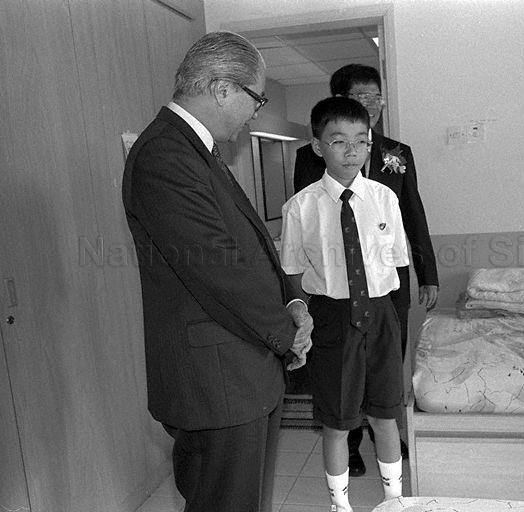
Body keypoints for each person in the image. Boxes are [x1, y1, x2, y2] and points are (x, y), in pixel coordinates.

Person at [122, 31, 313, 512]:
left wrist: (290, 303)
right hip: (218, 380)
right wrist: (285, 333)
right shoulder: (165, 154)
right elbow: (217, 270)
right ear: (223, 88)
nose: (256, 112)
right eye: (257, 98)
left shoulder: (196, 150)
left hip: (239, 370)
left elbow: (245, 252)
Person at [293, 63, 439, 476]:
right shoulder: (310, 155)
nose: (371, 105)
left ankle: (383, 427)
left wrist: (428, 273)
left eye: (376, 97)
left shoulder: (398, 153)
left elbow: (414, 214)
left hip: (387, 277)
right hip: (338, 282)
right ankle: (350, 440)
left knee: (386, 358)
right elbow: (308, 216)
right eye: (361, 97)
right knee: (343, 367)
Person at [280, 97, 409, 512]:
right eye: (339, 141)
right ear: (318, 146)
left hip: (380, 313)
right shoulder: (300, 208)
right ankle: (341, 505)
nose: (352, 151)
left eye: (361, 141)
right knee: (336, 422)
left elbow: (397, 265)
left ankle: (394, 500)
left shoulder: (385, 198)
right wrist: (303, 317)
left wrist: (392, 319)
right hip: (333, 318)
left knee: (386, 414)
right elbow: (294, 273)